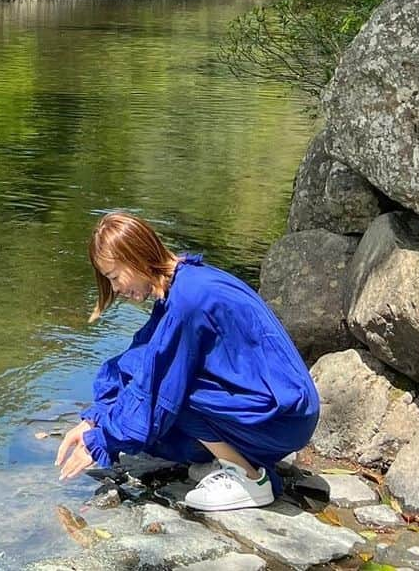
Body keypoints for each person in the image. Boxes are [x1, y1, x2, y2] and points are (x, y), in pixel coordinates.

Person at [54, 211, 320, 512]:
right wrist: (95, 418)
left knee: (168, 395)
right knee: (153, 384)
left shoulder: (189, 300)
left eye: (114, 277)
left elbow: (158, 388)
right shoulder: (182, 284)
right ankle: (229, 459)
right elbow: (137, 360)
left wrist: (100, 441)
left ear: (137, 256)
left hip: (283, 419)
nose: (114, 289)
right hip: (275, 408)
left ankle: (249, 479)